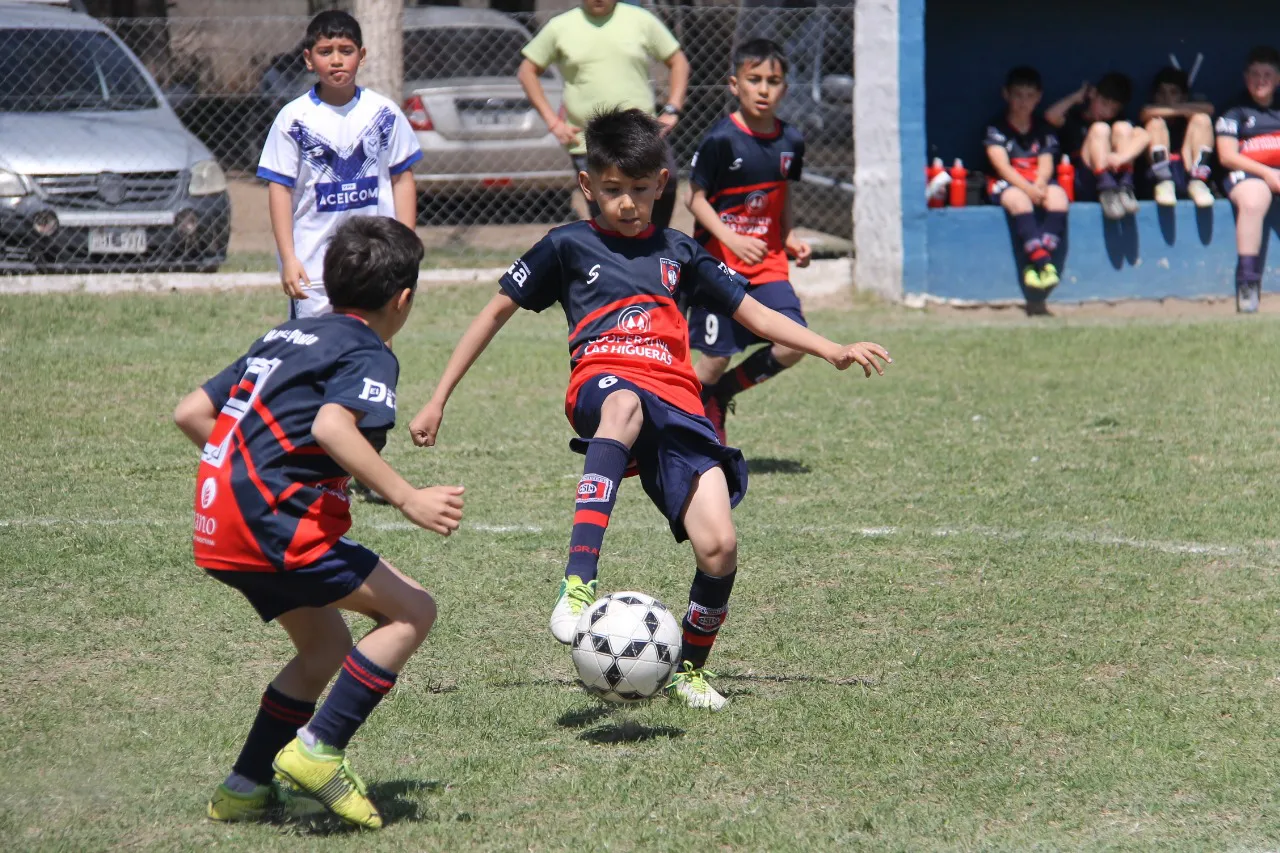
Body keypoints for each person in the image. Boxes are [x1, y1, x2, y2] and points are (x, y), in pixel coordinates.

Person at [407, 108, 890, 711]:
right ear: (588, 185)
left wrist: (829, 348)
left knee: (719, 546)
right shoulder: (567, 244)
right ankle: (578, 583)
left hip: (679, 404)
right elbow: (494, 312)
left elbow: (754, 313)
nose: (628, 203)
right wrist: (438, 398)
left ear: (662, 184)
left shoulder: (680, 251)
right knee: (625, 402)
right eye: (612, 190)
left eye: (640, 189)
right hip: (604, 384)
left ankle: (688, 669)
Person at [174, 217, 465, 829]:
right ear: (403, 298)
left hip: (218, 522)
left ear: (330, 288)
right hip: (275, 523)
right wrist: (409, 498)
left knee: (325, 646)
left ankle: (244, 787)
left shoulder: (287, 335)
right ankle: (317, 749)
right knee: (413, 611)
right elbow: (333, 427)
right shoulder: (368, 351)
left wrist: (260, 469)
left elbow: (193, 413)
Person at [683, 39, 812, 443]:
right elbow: (696, 200)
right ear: (734, 84)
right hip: (717, 267)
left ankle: (722, 396)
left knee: (794, 342)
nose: (763, 89)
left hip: (768, 264)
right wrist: (732, 239)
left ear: (784, 89)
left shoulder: (791, 141)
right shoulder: (720, 140)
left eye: (772, 81)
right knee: (713, 359)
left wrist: (788, 235)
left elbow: (782, 194)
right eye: (753, 79)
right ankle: (682, 425)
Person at [257, 10, 423, 320]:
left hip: (376, 265)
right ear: (308, 59)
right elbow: (279, 189)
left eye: (345, 51)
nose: (336, 60)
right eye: (325, 52)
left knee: (372, 353)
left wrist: (406, 249)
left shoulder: (384, 113)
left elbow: (402, 179)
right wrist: (289, 258)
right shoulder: (293, 119)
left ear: (361, 56)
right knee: (315, 356)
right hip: (314, 269)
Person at [516, 0, 690, 230]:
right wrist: (554, 122)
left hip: (642, 136)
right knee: (608, 213)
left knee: (666, 186)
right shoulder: (560, 26)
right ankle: (612, 260)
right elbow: (527, 71)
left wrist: (672, 108)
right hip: (590, 141)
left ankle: (656, 246)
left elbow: (678, 61)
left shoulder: (641, 20)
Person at [983, 66, 1068, 293]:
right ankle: (1044, 264)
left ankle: (1037, 260)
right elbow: (1001, 166)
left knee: (1059, 198)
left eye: (1030, 96)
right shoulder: (996, 128)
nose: (1024, 101)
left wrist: (1040, 183)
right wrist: (1028, 189)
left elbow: (1047, 162)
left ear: (1039, 97)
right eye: (1018, 95)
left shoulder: (1042, 128)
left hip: (1035, 181)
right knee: (1019, 200)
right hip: (1009, 183)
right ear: (1006, 94)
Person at [1216, 46, 1280, 313]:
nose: (1260, 80)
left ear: (1278, 79)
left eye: (1267, 74)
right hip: (1248, 174)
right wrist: (1267, 172)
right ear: (1246, 78)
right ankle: (1248, 283)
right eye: (1255, 74)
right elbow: (1227, 156)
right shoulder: (1234, 109)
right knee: (1254, 199)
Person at [1046, 72, 1148, 220]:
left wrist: (1121, 158)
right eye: (1104, 104)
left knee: (1123, 128)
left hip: (1116, 179)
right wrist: (1076, 97)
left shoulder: (1118, 121)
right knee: (1100, 129)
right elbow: (1051, 115)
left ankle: (1125, 188)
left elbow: (1144, 136)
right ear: (1093, 94)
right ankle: (1106, 189)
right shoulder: (1075, 118)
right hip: (1085, 182)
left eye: (1113, 109)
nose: (1107, 112)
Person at [1139, 66, 1216, 208]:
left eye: (1173, 93)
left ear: (1184, 96)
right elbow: (1145, 112)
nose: (1167, 98)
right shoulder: (1150, 119)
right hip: (1157, 189)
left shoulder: (1191, 121)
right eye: (1161, 93)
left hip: (1188, 179)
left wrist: (1177, 109)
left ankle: (1198, 181)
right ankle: (1164, 181)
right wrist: (1178, 109)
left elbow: (1209, 109)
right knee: (1156, 123)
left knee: (1202, 119)